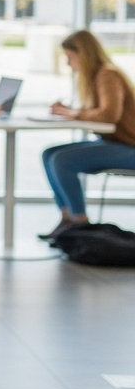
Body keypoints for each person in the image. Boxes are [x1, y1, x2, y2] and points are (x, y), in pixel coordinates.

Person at [40, 30, 135, 239]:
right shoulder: (97, 77)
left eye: (70, 57)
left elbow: (109, 115)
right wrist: (70, 110)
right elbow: (99, 113)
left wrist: (72, 112)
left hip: (129, 147)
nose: (68, 64)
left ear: (84, 54)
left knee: (62, 160)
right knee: (49, 154)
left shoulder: (107, 74)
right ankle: (67, 219)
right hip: (115, 143)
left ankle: (80, 225)